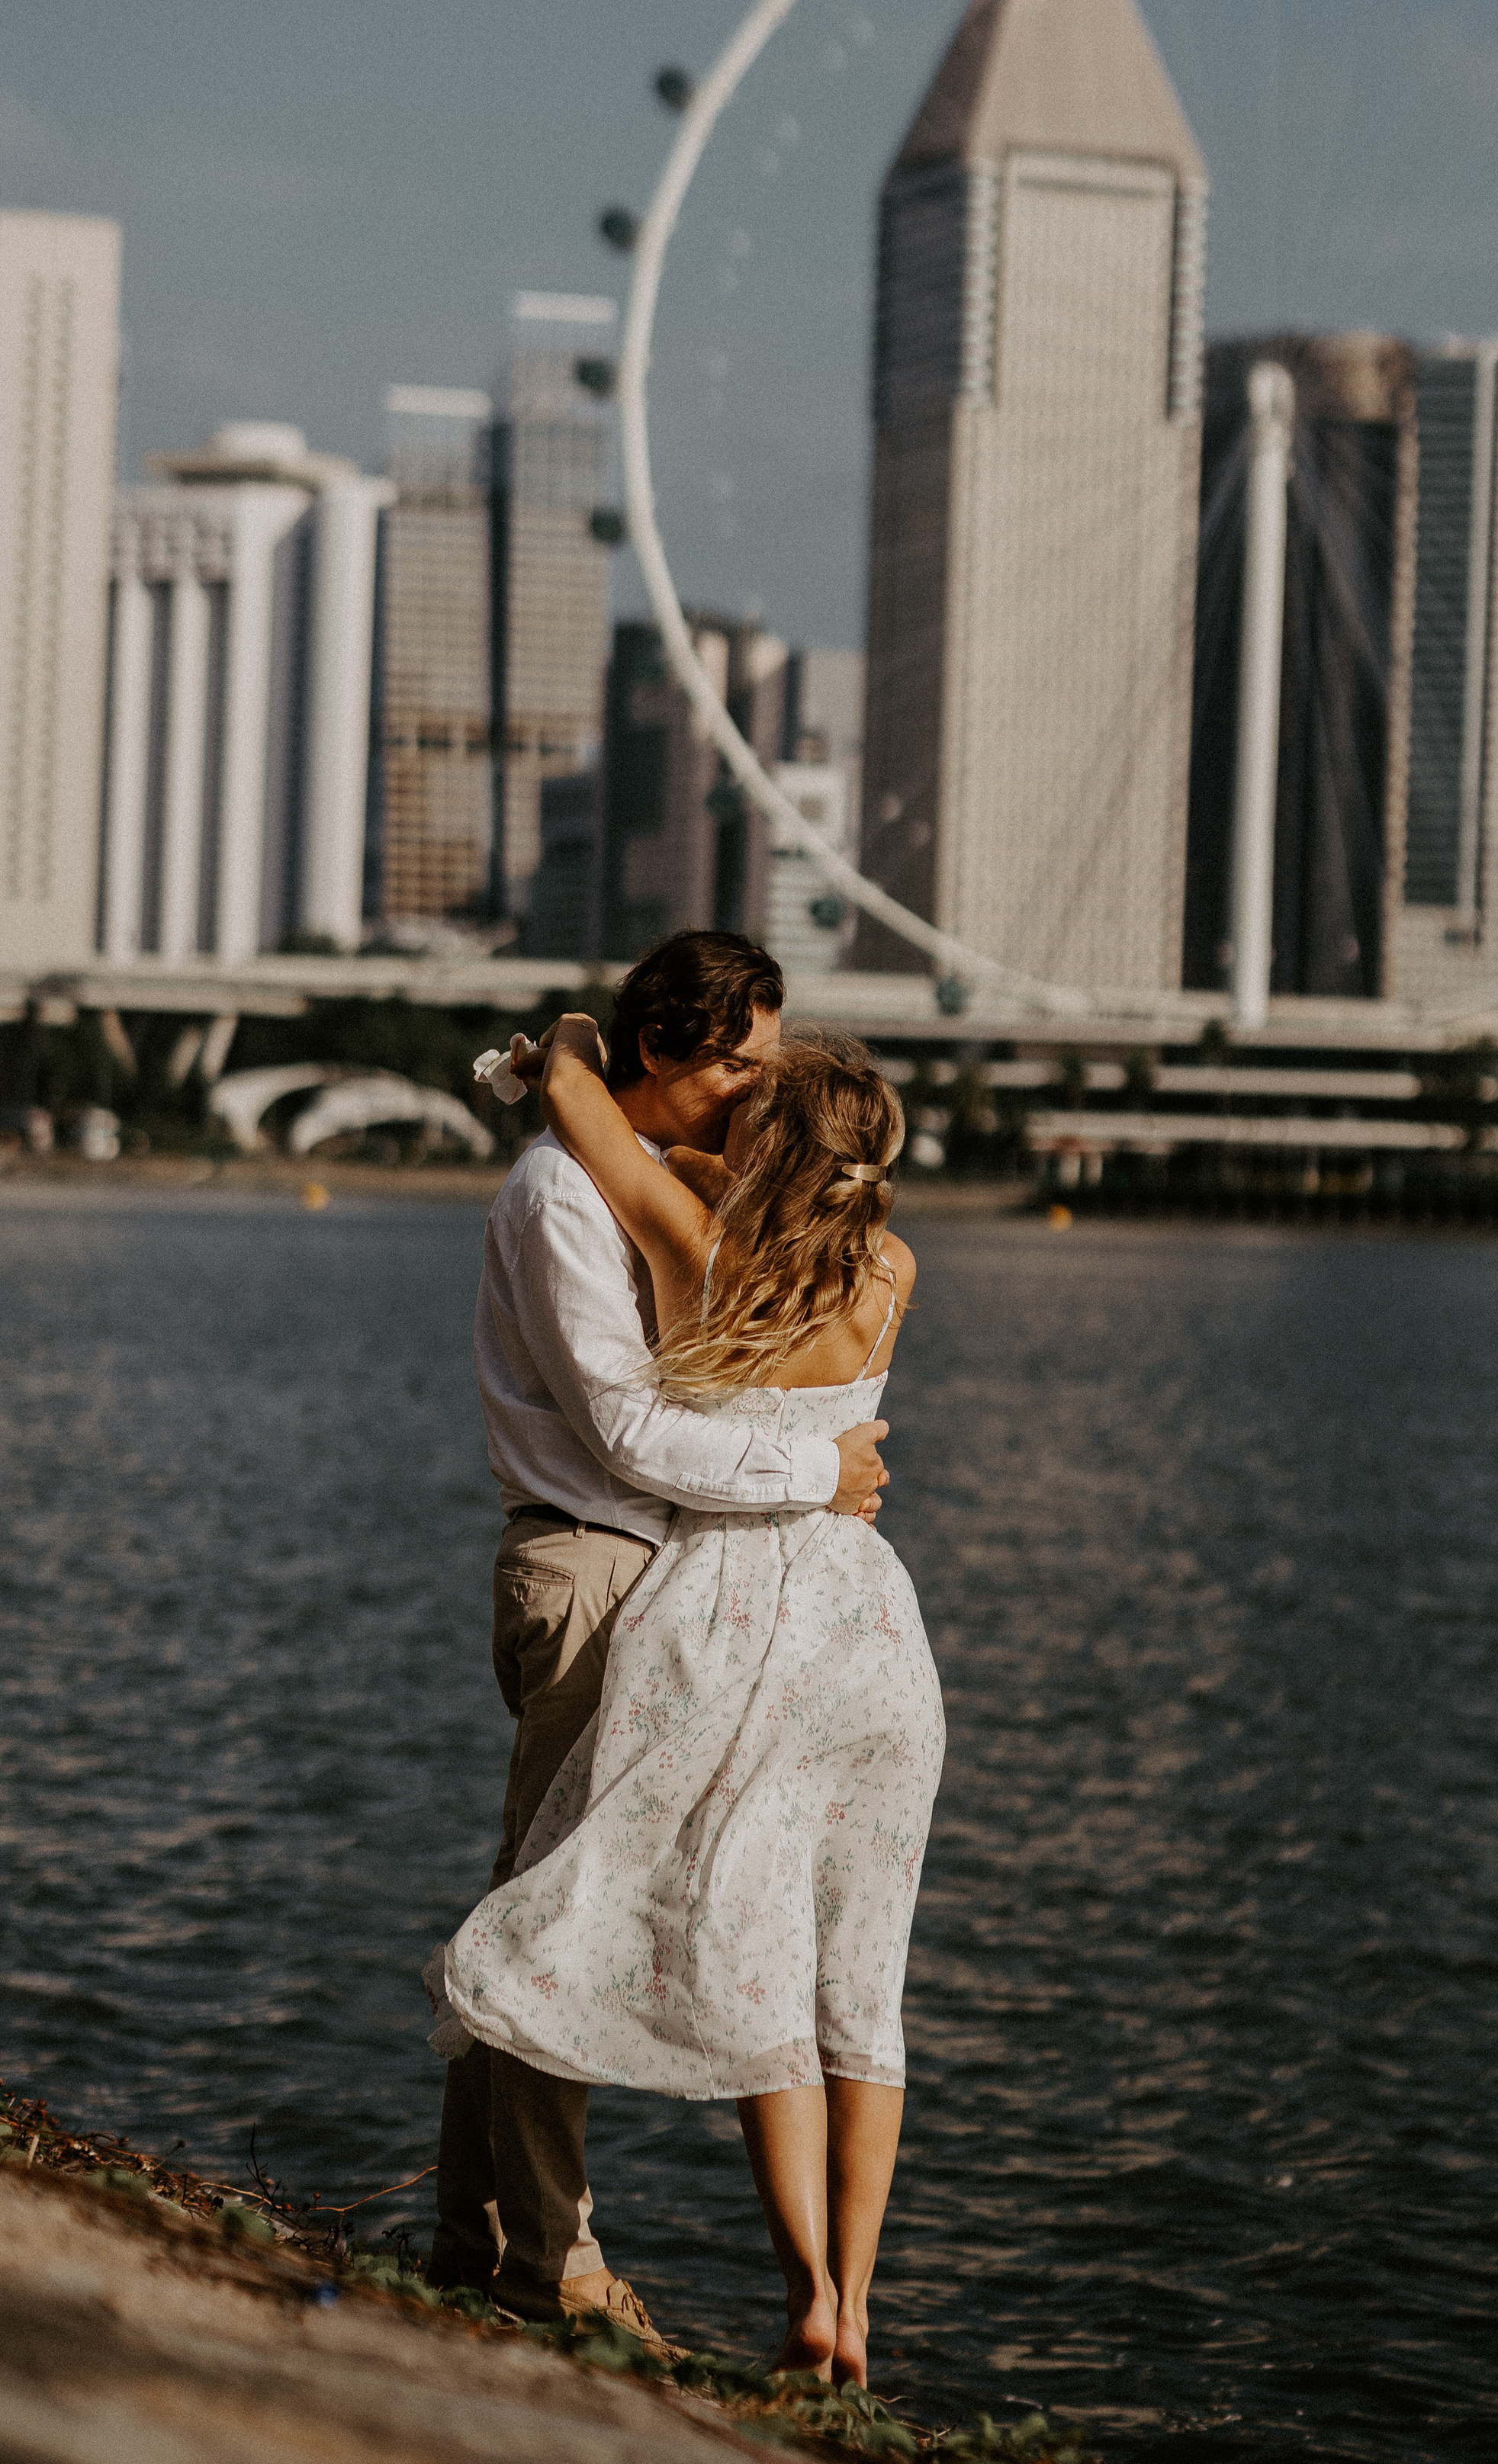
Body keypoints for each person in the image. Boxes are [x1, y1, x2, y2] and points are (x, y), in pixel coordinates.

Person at [430, 1017, 943, 2390]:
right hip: (875, 1636)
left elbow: (591, 1127)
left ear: (761, 1149)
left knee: (757, 1960)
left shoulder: (703, 1252)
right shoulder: (890, 1268)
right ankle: (861, 2299)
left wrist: (575, 1052)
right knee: (863, 1985)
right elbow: (787, 1188)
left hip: (733, 1623)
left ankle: (800, 2293)